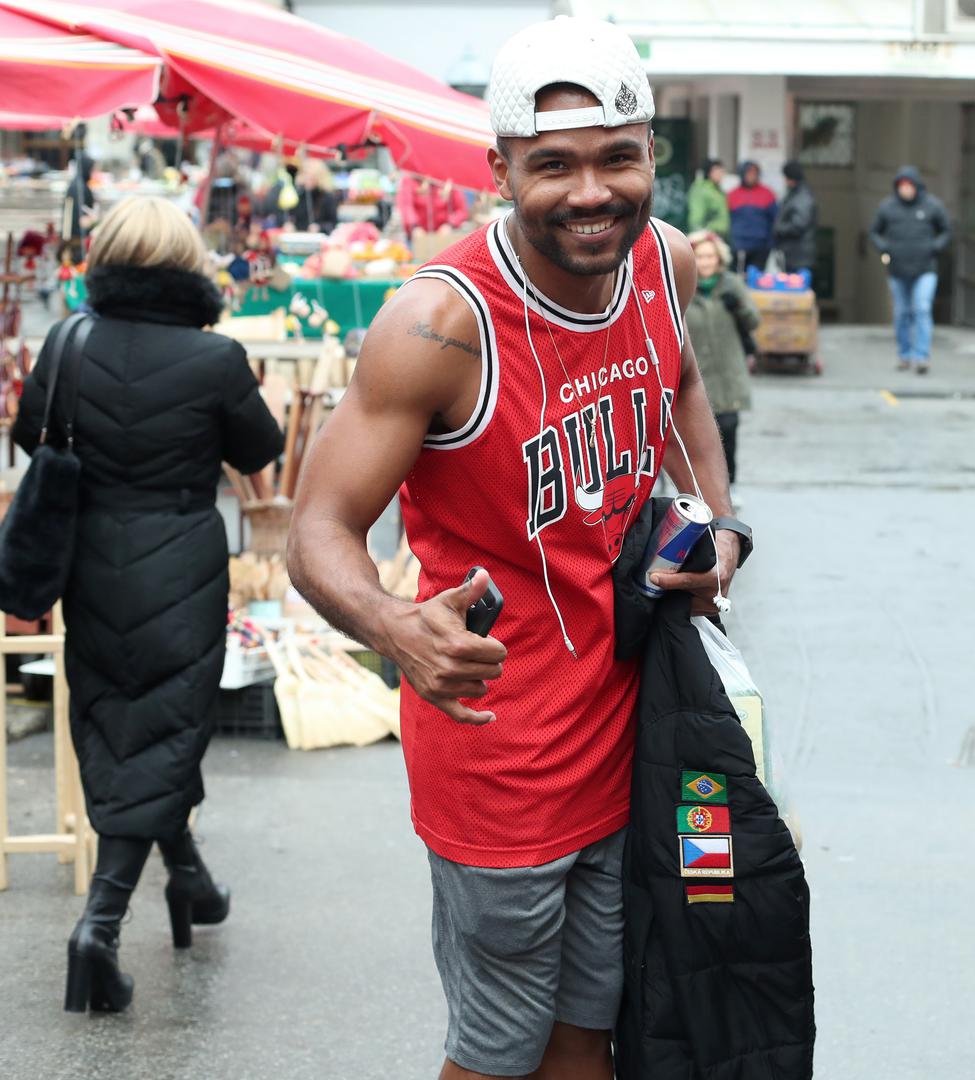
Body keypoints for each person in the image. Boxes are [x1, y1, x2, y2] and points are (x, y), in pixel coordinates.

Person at [285, 17, 746, 1080]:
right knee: (497, 1050)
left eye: (616, 158)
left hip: (637, 730)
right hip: (502, 757)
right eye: (554, 166)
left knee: (592, 1031)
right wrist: (397, 624)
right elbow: (317, 528)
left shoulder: (662, 266)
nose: (592, 191)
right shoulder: (441, 325)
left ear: (649, 155)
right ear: (500, 170)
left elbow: (683, 390)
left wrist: (718, 523)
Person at [13, 197, 284, 1013]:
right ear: (187, 264)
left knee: (122, 723)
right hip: (183, 566)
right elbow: (259, 451)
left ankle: (191, 884)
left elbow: (33, 436)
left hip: (89, 565)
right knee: (167, 726)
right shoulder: (216, 360)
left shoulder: (67, 342)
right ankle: (99, 924)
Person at [685, 229, 758, 504]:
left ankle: (731, 484)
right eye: (700, 256)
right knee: (695, 437)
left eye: (709, 257)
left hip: (728, 372)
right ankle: (696, 489)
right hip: (697, 373)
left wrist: (738, 305)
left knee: (728, 430)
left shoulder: (731, 285)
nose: (705, 262)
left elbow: (753, 322)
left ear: (719, 259)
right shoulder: (683, 284)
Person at [871, 165, 951, 374]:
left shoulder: (932, 206)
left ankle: (921, 356)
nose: (905, 190)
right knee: (902, 313)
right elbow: (875, 232)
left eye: (909, 186)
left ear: (916, 186)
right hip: (897, 270)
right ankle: (904, 354)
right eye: (901, 186)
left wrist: (935, 248)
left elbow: (946, 230)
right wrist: (885, 249)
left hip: (925, 268)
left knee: (922, 309)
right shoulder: (888, 207)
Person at [727, 160, 777, 273]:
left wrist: (770, 243)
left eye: (754, 173)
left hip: (760, 246)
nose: (752, 176)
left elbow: (774, 220)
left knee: (755, 277)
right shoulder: (732, 194)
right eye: (749, 173)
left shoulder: (768, 194)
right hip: (738, 245)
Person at [397, 175, 471, 243]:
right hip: (417, 235)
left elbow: (462, 210)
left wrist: (450, 225)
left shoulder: (450, 181)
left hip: (443, 236)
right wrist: (414, 226)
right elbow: (406, 206)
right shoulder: (410, 180)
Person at [772, 160, 817, 273]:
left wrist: (778, 229)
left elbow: (798, 225)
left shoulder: (802, 197)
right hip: (793, 254)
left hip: (799, 257)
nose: (785, 181)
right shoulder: (795, 194)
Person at [686, 157, 730, 240]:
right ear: (708, 172)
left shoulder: (719, 191)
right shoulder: (701, 189)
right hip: (707, 237)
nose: (720, 173)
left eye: (721, 170)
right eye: (716, 170)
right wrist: (700, 236)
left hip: (720, 237)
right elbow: (696, 218)